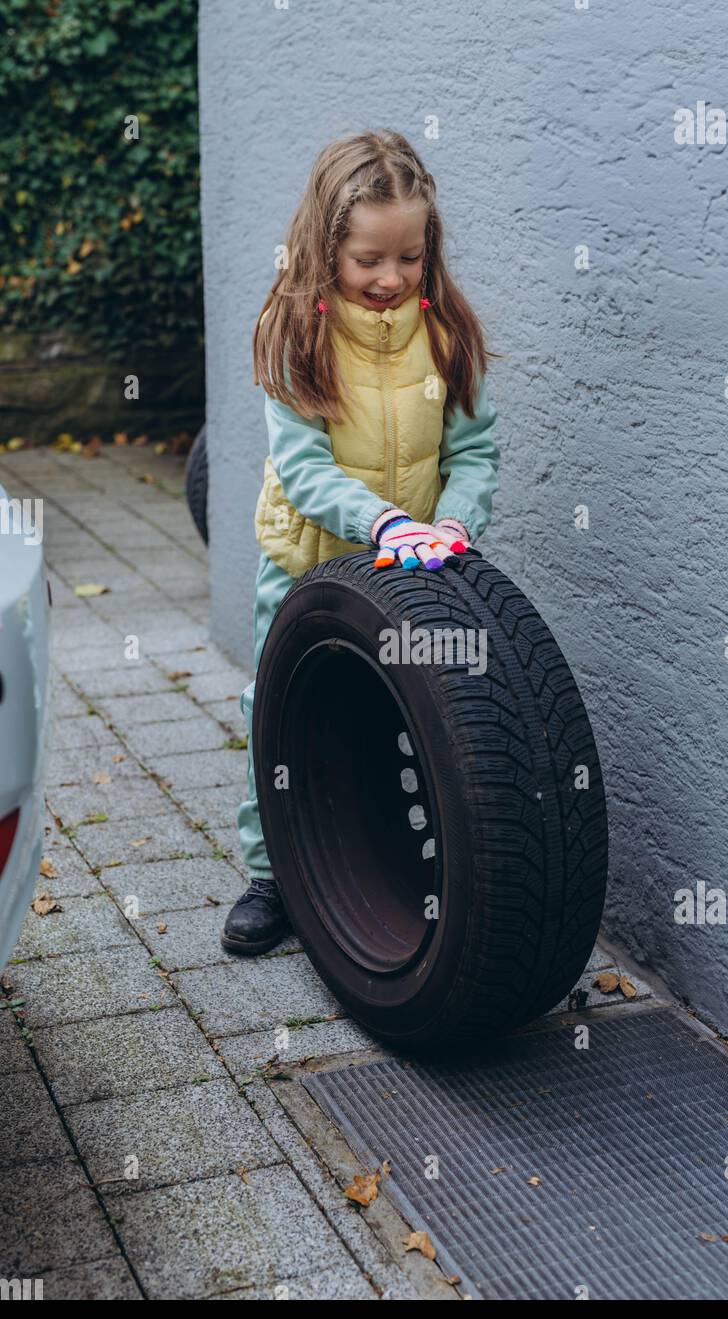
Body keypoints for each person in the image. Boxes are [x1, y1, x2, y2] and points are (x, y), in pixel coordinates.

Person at [222, 128, 502, 954]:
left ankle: (380, 863)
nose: (391, 278)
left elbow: (475, 454)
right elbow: (302, 469)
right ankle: (270, 874)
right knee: (275, 711)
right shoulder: (295, 335)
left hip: (410, 573)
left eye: (409, 258)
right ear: (324, 247)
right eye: (369, 260)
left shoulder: (446, 336)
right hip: (308, 569)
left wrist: (455, 524)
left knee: (397, 714)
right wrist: (382, 520)